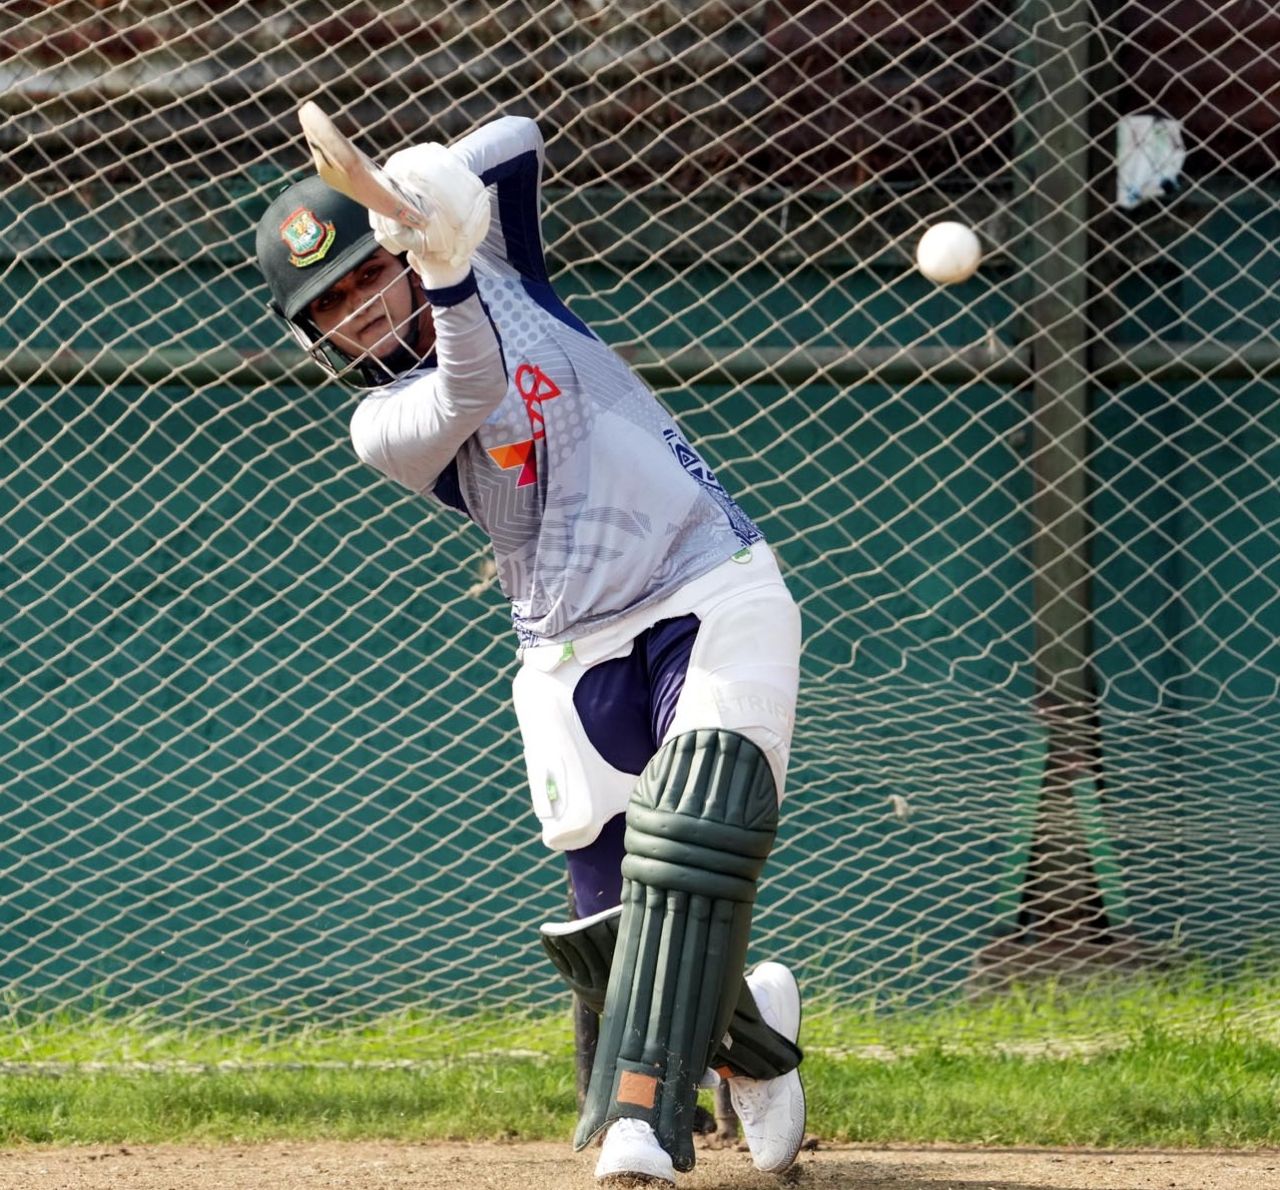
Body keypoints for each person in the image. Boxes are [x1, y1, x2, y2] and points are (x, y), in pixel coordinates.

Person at [254, 114, 806, 1183]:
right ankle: (754, 1035)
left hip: (706, 579)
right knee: (604, 915)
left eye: (363, 274)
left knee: (695, 825)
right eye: (327, 307)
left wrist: (423, 199)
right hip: (566, 643)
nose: (358, 306)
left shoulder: (500, 265)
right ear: (317, 339)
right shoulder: (382, 424)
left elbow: (518, 136)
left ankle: (636, 1119)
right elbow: (469, 387)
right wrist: (446, 280)